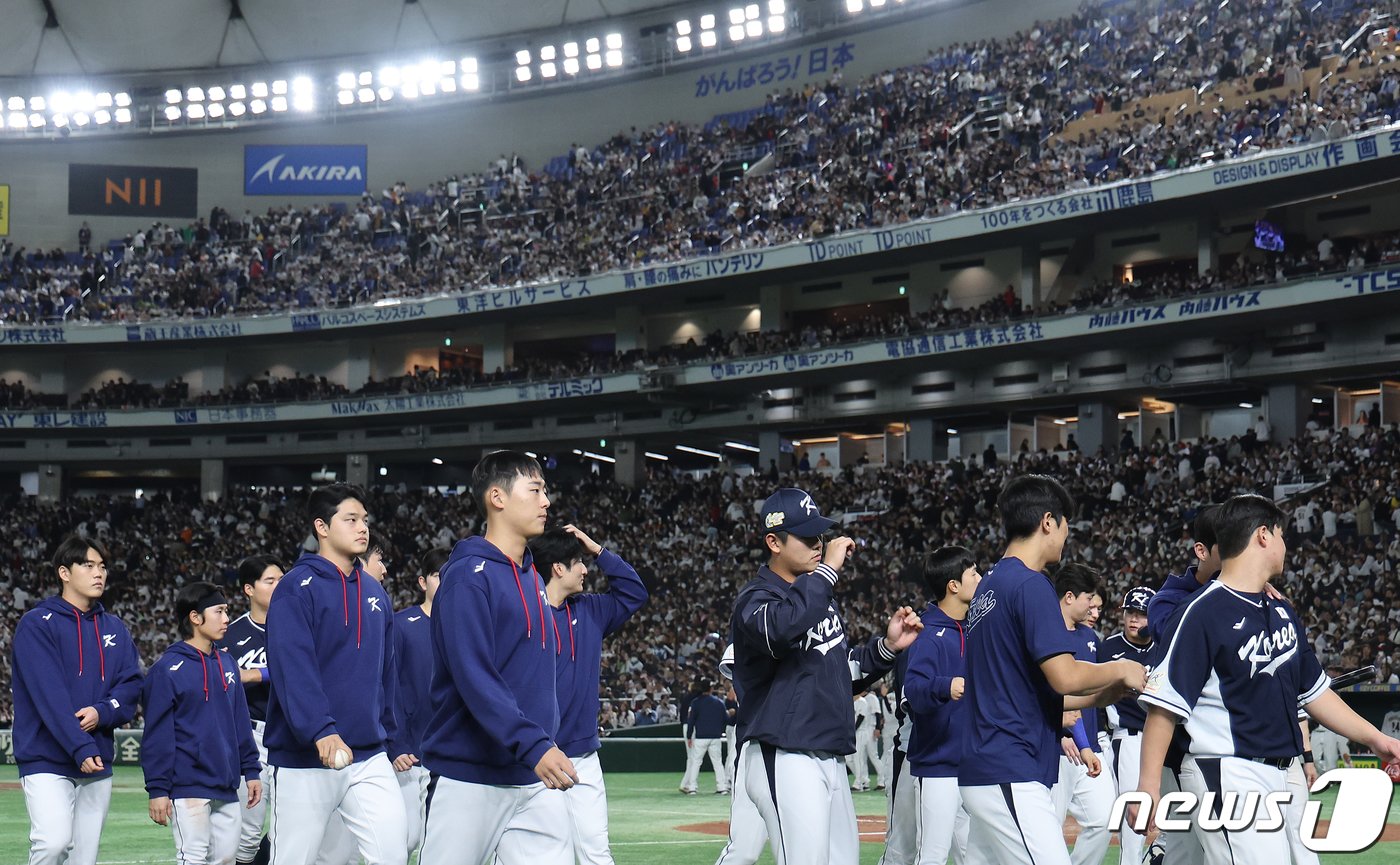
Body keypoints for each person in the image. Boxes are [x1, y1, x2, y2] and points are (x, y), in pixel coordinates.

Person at [1133, 494, 1400, 865]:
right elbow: (1164, 708)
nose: (1284, 544)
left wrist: (1377, 738)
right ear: (1262, 536)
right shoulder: (1199, 613)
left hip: (1279, 772)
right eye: (1281, 535)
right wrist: (1147, 787)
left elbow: (1316, 693)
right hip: (1226, 771)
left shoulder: (1280, 610)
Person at [729, 487, 923, 865]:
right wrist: (827, 572)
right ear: (774, 542)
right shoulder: (755, 599)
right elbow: (782, 629)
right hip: (783, 752)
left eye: (820, 535)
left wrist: (886, 647)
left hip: (829, 752)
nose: (818, 545)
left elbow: (838, 672)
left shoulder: (818, 597)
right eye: (806, 538)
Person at [958, 475, 1146, 865]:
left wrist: (1103, 695)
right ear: (1048, 521)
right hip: (1009, 766)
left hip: (992, 763)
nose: (1065, 535)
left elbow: (1025, 690)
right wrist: (1121, 668)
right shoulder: (1031, 585)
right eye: (1065, 524)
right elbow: (1064, 676)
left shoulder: (990, 586)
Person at [419, 451, 576, 865]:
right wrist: (533, 743)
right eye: (536, 490)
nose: (547, 502)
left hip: (532, 774)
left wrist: (540, 744)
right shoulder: (468, 577)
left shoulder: (530, 577)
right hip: (472, 776)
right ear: (497, 498)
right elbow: (476, 678)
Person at [263, 484, 407, 865]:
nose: (363, 528)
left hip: (369, 755)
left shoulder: (376, 594)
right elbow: (292, 667)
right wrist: (320, 728)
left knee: (393, 853)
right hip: (304, 758)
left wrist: (392, 738)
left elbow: (385, 675)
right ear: (322, 527)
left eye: (365, 520)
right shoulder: (295, 587)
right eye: (351, 519)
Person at [12, 536, 143, 865]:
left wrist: (103, 711)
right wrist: (80, 746)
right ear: (64, 573)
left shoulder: (114, 627)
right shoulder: (37, 624)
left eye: (102, 566)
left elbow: (131, 685)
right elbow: (49, 695)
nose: (99, 573)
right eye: (88, 565)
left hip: (97, 759)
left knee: (84, 859)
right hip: (47, 756)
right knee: (52, 843)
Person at [532, 524, 650, 863]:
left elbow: (634, 592)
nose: (586, 569)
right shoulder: (525, 613)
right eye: (579, 561)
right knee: (545, 856)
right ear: (558, 568)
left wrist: (597, 549)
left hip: (583, 757)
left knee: (596, 854)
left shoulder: (589, 609)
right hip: (537, 759)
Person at [142, 581, 263, 865]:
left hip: (226, 783)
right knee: (193, 858)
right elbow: (157, 735)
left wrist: (251, 770)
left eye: (227, 611)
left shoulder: (228, 663)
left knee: (225, 860)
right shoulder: (166, 670)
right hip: (188, 784)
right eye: (219, 611)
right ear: (195, 618)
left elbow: (239, 723)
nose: (226, 619)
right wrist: (158, 789)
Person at [903, 546, 981, 865]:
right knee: (933, 855)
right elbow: (914, 690)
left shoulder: (978, 625)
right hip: (938, 765)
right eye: (973, 573)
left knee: (975, 856)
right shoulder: (927, 633)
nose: (980, 577)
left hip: (974, 763)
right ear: (953, 585)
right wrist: (946, 685)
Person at [1050, 564, 1116, 865]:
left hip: (1088, 743)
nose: (1094, 605)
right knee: (1047, 830)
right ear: (1068, 597)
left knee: (1104, 819)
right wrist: (1060, 733)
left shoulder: (1090, 638)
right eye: (1089, 597)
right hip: (1054, 749)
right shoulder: (1043, 634)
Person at [222, 555, 284, 865]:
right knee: (246, 836)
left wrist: (254, 674)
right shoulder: (230, 634)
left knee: (289, 829)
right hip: (251, 738)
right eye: (270, 581)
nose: (278, 586)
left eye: (281, 580)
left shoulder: (298, 627)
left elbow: (300, 668)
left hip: (291, 736)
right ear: (249, 588)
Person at [390, 547, 451, 863]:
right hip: (410, 750)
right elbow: (388, 688)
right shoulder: (401, 624)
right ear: (422, 581)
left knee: (442, 844)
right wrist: (396, 744)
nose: (446, 581)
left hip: (451, 753)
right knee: (407, 836)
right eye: (440, 575)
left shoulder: (463, 627)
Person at [1100, 586, 1156, 865]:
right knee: (1135, 822)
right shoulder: (1108, 648)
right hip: (1130, 740)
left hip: (1168, 741)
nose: (1134, 620)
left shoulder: (1165, 646)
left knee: (1174, 818)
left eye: (1142, 614)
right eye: (1130, 613)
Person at [682, 680, 731, 795]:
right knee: (718, 763)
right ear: (710, 689)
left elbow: (691, 720)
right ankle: (722, 787)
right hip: (715, 737)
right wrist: (719, 729)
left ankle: (692, 787)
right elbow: (726, 719)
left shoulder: (696, 702)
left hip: (701, 737)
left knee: (696, 762)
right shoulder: (718, 702)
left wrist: (689, 736)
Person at [847, 689, 880, 791]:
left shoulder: (862, 701)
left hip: (861, 732)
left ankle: (858, 784)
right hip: (853, 733)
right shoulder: (852, 702)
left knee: (858, 758)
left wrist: (851, 731)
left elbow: (861, 718)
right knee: (848, 759)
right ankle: (863, 780)